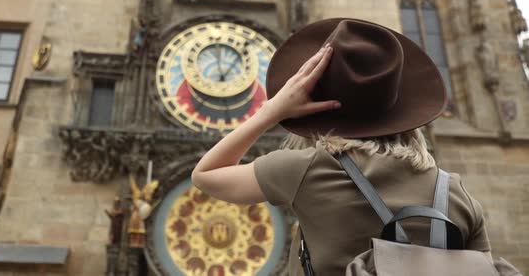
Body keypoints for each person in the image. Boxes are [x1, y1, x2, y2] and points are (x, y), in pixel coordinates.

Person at [191, 18, 491, 275]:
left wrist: (271, 111)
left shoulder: (308, 170)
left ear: (319, 108)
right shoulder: (454, 192)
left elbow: (206, 174)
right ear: (404, 110)